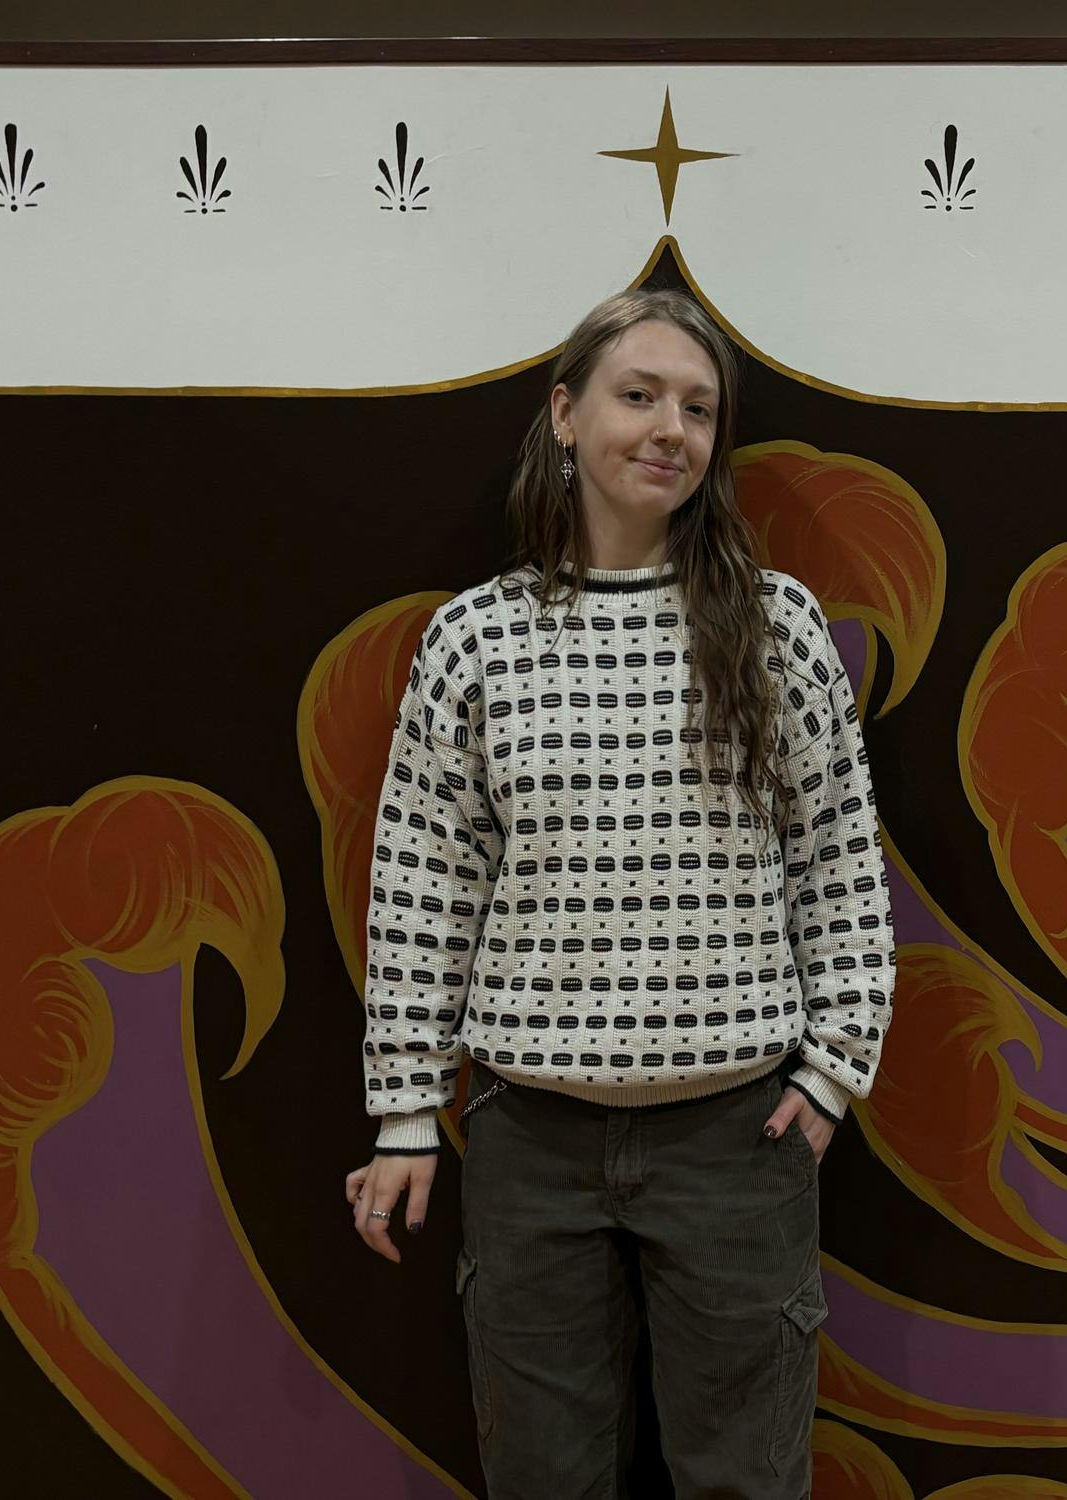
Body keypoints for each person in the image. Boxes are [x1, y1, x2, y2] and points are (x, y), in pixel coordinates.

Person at [342, 286, 897, 1498]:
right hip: (528, 1141)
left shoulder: (771, 626)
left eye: (696, 408)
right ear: (563, 414)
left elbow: (840, 862)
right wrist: (401, 1114)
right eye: (637, 395)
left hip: (737, 1140)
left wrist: (832, 1070)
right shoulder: (474, 640)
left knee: (744, 1480)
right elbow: (423, 886)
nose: (669, 429)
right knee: (542, 1477)